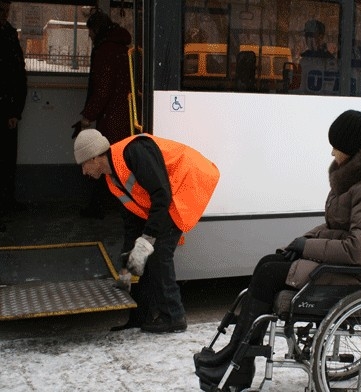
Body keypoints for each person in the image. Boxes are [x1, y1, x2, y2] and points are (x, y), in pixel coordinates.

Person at [194, 110, 361, 390]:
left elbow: (356, 248)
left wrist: (308, 246)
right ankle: (236, 354)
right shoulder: (356, 181)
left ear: (352, 150)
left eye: (336, 147)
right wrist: (299, 244)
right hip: (340, 267)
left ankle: (240, 363)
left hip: (350, 275)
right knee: (268, 263)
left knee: (269, 274)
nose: (331, 153)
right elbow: (335, 228)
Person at [73, 129, 220, 333]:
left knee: (159, 253)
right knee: (144, 256)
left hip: (187, 182)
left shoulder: (134, 152)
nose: (84, 172)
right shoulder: (112, 180)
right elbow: (131, 223)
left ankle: (174, 317)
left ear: (96, 156)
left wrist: (148, 239)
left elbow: (162, 195)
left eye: (84, 164)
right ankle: (140, 317)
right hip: (165, 197)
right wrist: (127, 266)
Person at [76, 9, 132, 219]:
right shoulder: (121, 47)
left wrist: (88, 116)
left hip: (111, 117)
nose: (90, 37)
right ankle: (114, 204)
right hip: (123, 114)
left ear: (97, 30)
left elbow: (102, 89)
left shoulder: (105, 51)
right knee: (117, 159)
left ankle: (97, 206)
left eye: (90, 33)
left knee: (100, 159)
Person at [0, 0, 27, 220]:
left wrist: (15, 111)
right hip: (7, 106)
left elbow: (17, 74)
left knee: (8, 160)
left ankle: (7, 202)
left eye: (6, 9)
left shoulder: (9, 34)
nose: (4, 13)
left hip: (8, 108)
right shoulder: (8, 35)